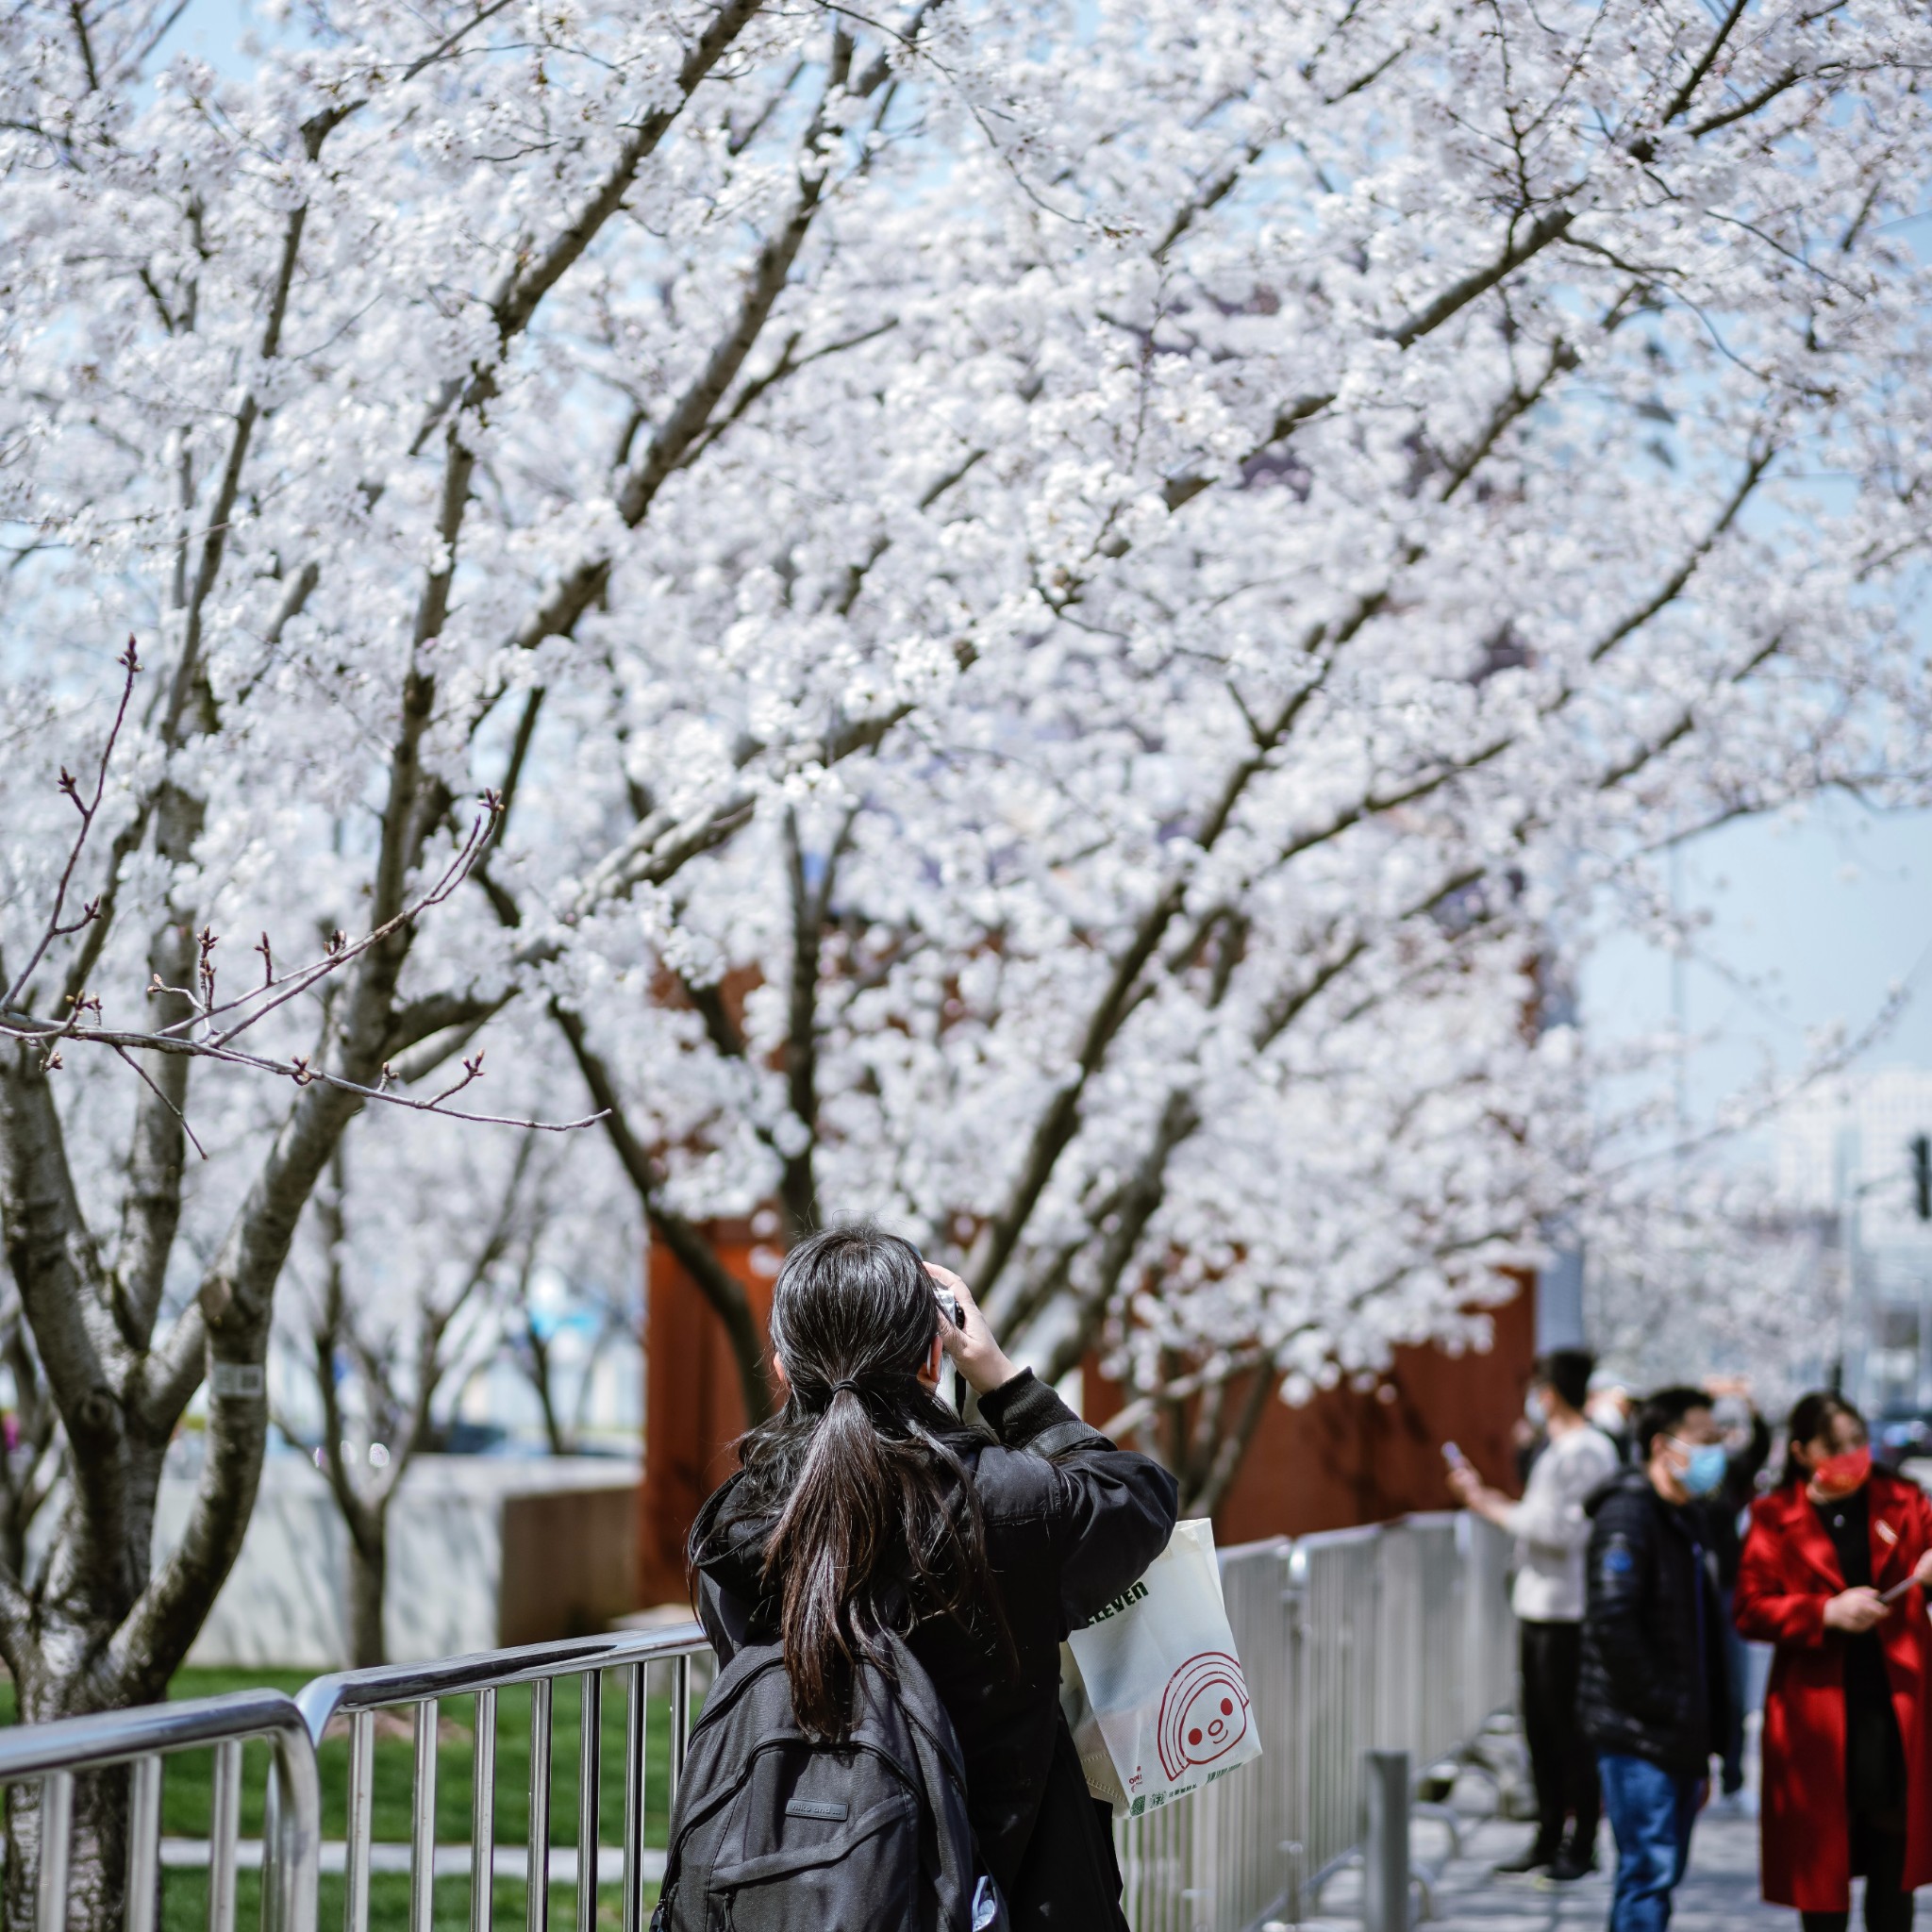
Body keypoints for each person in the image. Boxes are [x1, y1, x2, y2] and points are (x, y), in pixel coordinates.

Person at [686, 1224, 1179, 1929]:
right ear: (930, 1356)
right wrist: (1002, 1377)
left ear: (783, 1367)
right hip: (1013, 1887)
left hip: (808, 1886)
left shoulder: (736, 1524)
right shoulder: (1005, 1501)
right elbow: (1137, 1495)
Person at [1734, 1391, 1932, 1932]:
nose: (1852, 1454)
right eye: (1835, 1445)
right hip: (1816, 1716)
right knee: (1822, 1872)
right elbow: (1751, 1609)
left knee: (1894, 1871)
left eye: (1857, 1442)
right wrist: (1822, 1613)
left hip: (1894, 1708)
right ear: (1801, 1452)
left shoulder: (1905, 1500)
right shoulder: (1775, 1517)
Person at [1450, 1348, 1621, 1879]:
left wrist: (1489, 1505)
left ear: (1547, 1393)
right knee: (1542, 1730)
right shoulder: (1566, 1449)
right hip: (1544, 1605)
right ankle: (1551, 1836)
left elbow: (1560, 1531)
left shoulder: (1585, 1452)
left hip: (1567, 1609)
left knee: (1569, 1731)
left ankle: (1580, 1843)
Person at [1578, 1385, 1732, 1932]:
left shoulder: (1685, 1517)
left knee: (1657, 1878)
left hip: (1675, 1732)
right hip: (1640, 1733)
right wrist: (1665, 1704)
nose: (1717, 1449)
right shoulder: (1629, 1515)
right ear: (1664, 1445)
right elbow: (1612, 1623)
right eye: (1705, 1438)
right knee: (1647, 1876)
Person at [1702, 1375, 1772, 1807]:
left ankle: (1732, 1771)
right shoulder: (1688, 1481)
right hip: (1690, 1591)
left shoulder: (1731, 1473)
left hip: (1726, 1589)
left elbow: (1759, 1446)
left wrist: (1748, 1402)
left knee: (1732, 1683)